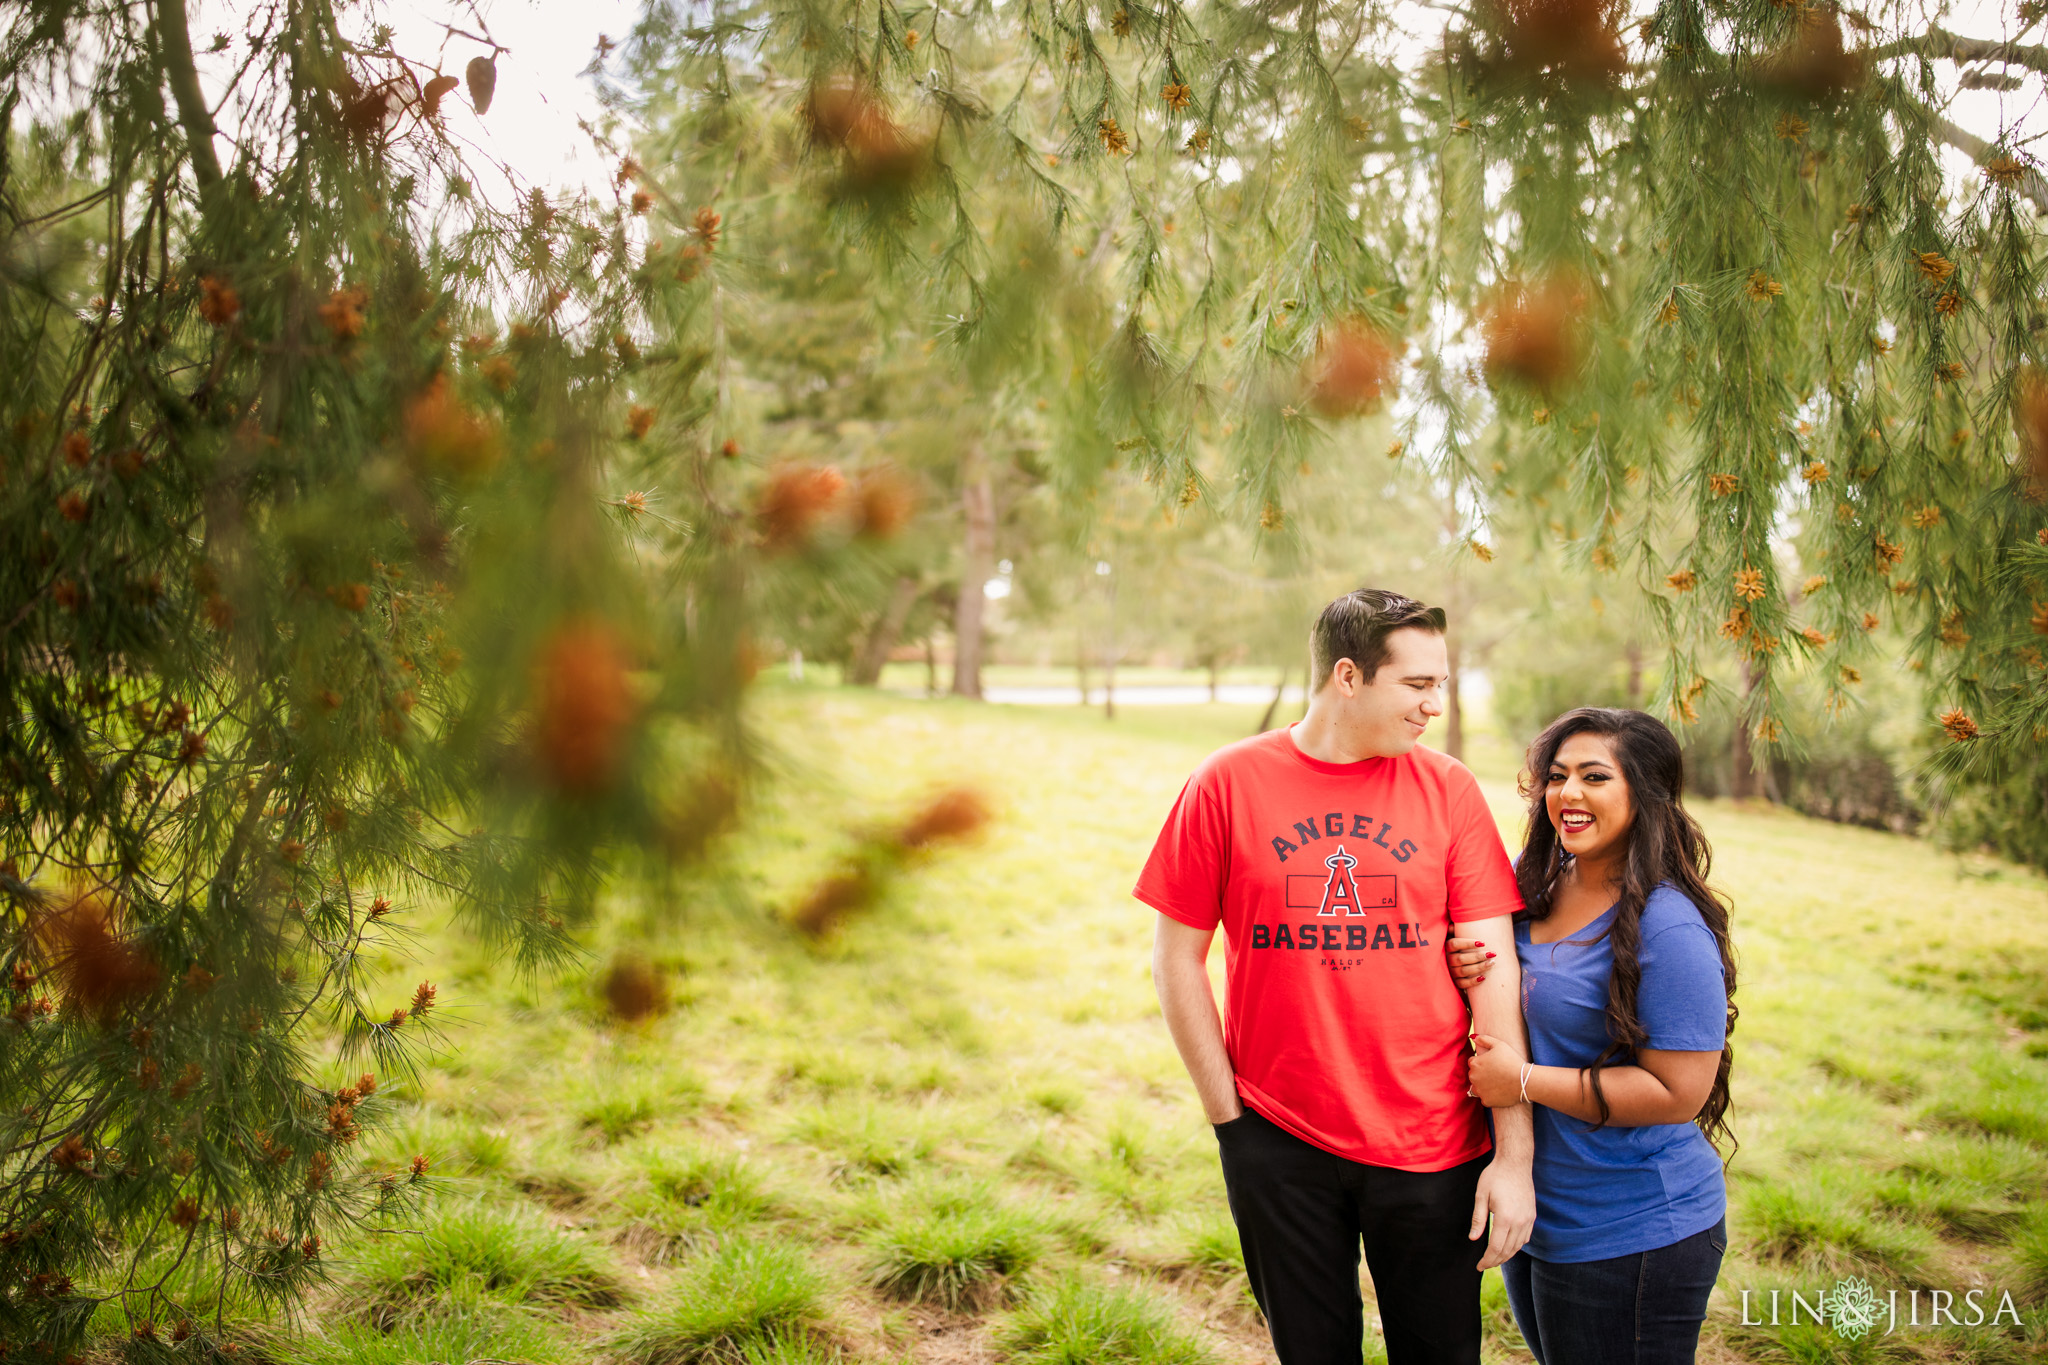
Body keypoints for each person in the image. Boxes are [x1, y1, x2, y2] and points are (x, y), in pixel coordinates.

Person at [1136, 588, 1536, 1365]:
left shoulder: (1449, 791)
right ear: (1347, 677)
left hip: (1435, 1142)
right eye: (1417, 685)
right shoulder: (1224, 782)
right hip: (1279, 1141)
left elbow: (1496, 974)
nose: (1433, 706)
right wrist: (1231, 1126)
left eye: (1440, 685)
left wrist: (1513, 1155)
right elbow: (1175, 954)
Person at [1447, 707, 1737, 1365]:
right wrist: (1465, 963)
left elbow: (1677, 1091)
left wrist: (1520, 1080)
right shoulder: (1540, 876)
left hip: (1632, 1229)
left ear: (1646, 792)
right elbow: (1513, 984)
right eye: (1558, 775)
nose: (1568, 794)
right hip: (1542, 1214)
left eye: (1594, 776)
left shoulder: (1670, 928)